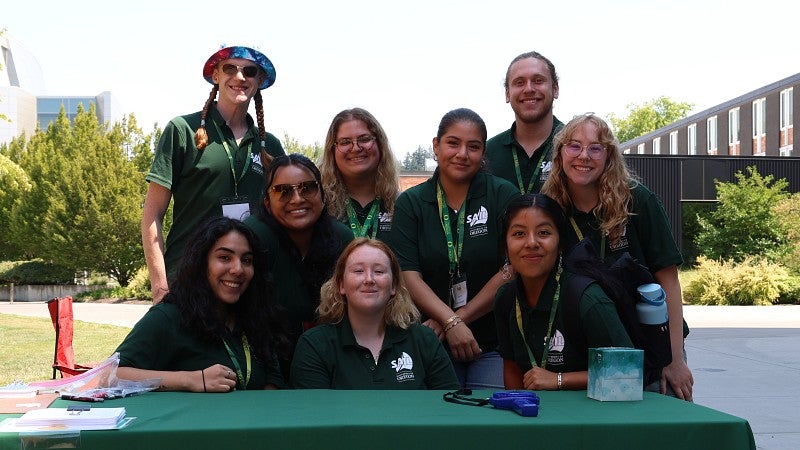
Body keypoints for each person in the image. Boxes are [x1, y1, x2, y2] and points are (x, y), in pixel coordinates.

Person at [541, 113, 694, 400]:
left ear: (609, 156)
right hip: (588, 342)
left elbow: (669, 282)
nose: (583, 156)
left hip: (650, 340)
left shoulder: (638, 200)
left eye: (595, 148)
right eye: (574, 146)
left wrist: (674, 359)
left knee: (662, 430)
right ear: (560, 153)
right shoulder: (550, 209)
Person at [142, 45, 285, 303]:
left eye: (250, 71)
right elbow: (152, 215)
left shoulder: (270, 147)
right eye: (230, 68)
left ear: (260, 81)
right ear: (216, 75)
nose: (240, 77)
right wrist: (160, 286)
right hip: (186, 281)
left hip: (245, 285)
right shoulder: (182, 130)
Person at [389, 108, 519, 389]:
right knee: (436, 425)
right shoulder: (411, 202)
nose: (462, 153)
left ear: (483, 152)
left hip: (492, 344)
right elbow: (408, 274)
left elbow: (512, 268)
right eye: (453, 143)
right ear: (436, 146)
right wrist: (449, 324)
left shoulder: (502, 194)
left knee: (489, 420)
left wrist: (453, 321)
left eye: (473, 147)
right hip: (430, 342)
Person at [116, 217, 287, 391]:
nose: (238, 269)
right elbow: (111, 375)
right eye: (225, 257)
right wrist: (189, 379)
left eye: (247, 260)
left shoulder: (256, 315)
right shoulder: (169, 316)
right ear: (201, 263)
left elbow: (273, 377)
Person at [494, 193, 633, 390]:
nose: (531, 243)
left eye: (543, 233)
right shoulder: (506, 299)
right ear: (506, 247)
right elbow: (513, 370)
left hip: (594, 415)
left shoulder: (586, 298)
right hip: (536, 416)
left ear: (560, 244)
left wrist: (559, 379)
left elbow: (628, 371)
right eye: (519, 234)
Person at [290, 238, 459, 389]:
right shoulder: (315, 345)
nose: (369, 279)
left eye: (379, 271)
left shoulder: (424, 340)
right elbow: (314, 416)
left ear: (394, 286)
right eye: (358, 271)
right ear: (341, 285)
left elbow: (450, 409)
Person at [243, 154, 353, 375]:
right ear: (267, 202)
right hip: (262, 361)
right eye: (282, 191)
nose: (296, 199)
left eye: (307, 188)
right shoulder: (252, 237)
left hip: (330, 362)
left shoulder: (342, 238)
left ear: (322, 195)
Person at [485, 51, 563, 194]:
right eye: (519, 83)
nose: (528, 89)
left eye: (538, 80)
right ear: (507, 94)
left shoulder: (577, 147)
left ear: (555, 89)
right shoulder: (488, 153)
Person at [319, 108, 398, 241]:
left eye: (364, 139)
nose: (355, 148)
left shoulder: (400, 204)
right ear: (332, 150)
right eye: (345, 142)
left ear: (380, 145)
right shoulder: (320, 206)